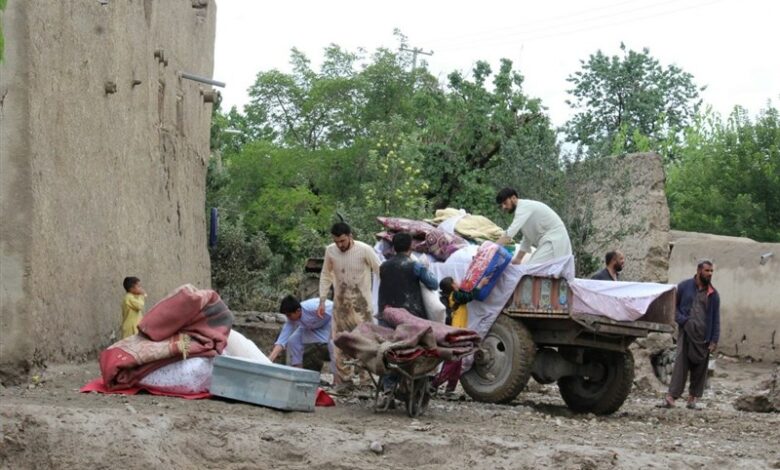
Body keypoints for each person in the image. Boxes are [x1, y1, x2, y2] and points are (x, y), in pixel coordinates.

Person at [318, 222, 381, 394]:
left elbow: (379, 270)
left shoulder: (365, 250)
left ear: (350, 236)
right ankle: (345, 380)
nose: (340, 245)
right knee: (339, 342)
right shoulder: (330, 251)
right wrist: (322, 299)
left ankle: (366, 381)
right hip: (341, 305)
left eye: (343, 241)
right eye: (337, 241)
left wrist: (382, 298)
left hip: (362, 306)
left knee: (366, 342)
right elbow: (325, 274)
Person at [659, 260, 720, 410]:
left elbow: (716, 319)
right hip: (686, 333)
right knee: (681, 364)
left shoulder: (713, 294)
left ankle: (692, 399)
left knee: (700, 368)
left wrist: (714, 340)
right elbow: (674, 306)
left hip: (703, 336)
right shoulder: (684, 286)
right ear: (699, 270)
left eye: (711, 271)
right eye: (707, 271)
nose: (709, 274)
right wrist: (683, 321)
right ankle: (671, 397)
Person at [432, 276, 487, 399]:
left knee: (458, 361)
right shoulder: (454, 295)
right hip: (456, 332)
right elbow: (468, 297)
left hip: (459, 332)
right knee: (453, 362)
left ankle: (450, 389)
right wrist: (480, 285)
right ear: (452, 286)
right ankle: (434, 384)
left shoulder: (453, 295)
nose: (457, 282)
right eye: (455, 282)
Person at [495, 188, 572, 265]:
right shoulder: (523, 211)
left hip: (554, 241)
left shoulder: (523, 208)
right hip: (552, 241)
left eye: (505, 203)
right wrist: (518, 259)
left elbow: (510, 233)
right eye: (501, 205)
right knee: (534, 271)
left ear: (514, 198)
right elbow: (527, 239)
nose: (504, 207)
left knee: (531, 269)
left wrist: (492, 248)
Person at [378, 232, 439, 320]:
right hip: (411, 316)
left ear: (394, 248)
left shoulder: (383, 266)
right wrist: (426, 269)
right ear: (411, 246)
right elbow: (434, 284)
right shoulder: (415, 266)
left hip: (387, 315)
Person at [268, 296, 334, 374]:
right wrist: (268, 361)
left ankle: (337, 379)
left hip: (328, 324)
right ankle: (297, 371)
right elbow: (281, 341)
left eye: (289, 315)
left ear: (298, 311)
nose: (288, 317)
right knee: (293, 341)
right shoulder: (291, 320)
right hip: (311, 327)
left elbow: (336, 310)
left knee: (330, 346)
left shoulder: (313, 308)